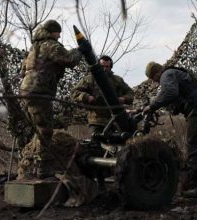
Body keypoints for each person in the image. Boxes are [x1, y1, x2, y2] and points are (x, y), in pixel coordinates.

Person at [18, 19, 89, 179]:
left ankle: (35, 165)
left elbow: (23, 70)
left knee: (39, 129)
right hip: (39, 91)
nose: (59, 36)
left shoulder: (34, 48)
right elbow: (69, 60)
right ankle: (43, 168)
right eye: (58, 33)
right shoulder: (50, 45)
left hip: (27, 90)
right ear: (52, 32)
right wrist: (81, 50)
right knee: (45, 130)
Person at [143, 61, 197, 197]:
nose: (156, 82)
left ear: (156, 73)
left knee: (195, 147)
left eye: (154, 79)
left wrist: (152, 106)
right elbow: (175, 98)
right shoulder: (173, 74)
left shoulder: (167, 74)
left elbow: (170, 92)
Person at [71, 55, 134, 134]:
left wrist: (123, 99)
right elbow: (74, 92)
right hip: (96, 121)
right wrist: (86, 97)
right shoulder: (90, 79)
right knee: (95, 143)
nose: (104, 69)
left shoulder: (117, 80)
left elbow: (130, 93)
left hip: (115, 121)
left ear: (110, 67)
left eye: (107, 66)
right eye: (102, 66)